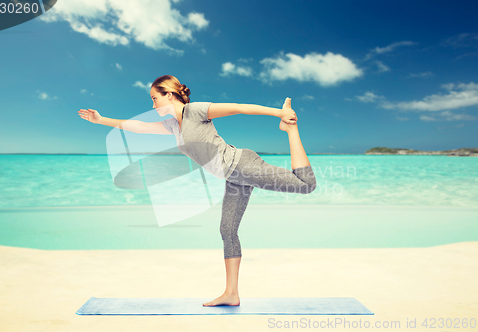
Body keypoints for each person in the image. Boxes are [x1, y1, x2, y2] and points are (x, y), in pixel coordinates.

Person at [78, 75, 317, 307]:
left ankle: (289, 131)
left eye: (154, 98)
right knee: (227, 230)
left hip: (243, 165)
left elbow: (239, 107)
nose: (152, 104)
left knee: (306, 185)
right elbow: (139, 127)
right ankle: (231, 294)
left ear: (169, 95)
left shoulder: (196, 112)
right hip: (233, 177)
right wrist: (101, 120)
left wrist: (280, 113)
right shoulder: (173, 126)